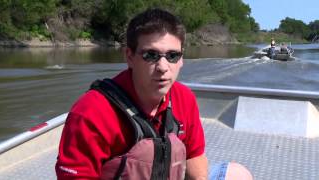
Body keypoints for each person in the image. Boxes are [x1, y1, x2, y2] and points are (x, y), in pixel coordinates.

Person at [55, 8, 253, 180]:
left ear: (182, 59)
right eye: (151, 55)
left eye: (173, 56)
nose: (163, 67)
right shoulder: (91, 112)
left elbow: (194, 156)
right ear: (130, 57)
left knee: (239, 174)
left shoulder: (184, 98)